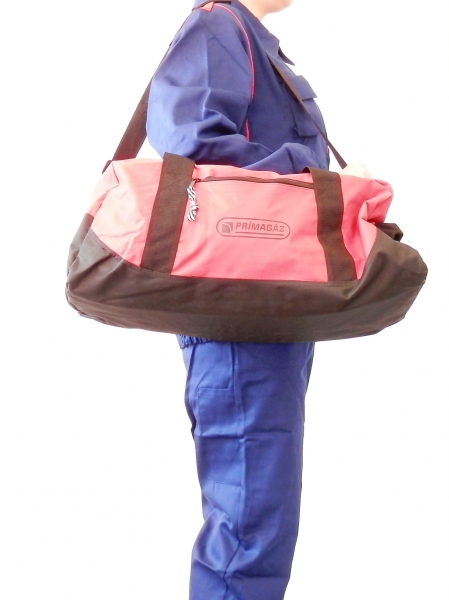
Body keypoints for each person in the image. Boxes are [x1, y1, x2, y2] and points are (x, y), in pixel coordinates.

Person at [146, 1, 369, 598]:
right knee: (250, 527)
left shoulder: (252, 40)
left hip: (271, 308)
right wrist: (319, 180)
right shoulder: (217, 26)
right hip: (238, 313)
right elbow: (189, 145)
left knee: (261, 521)